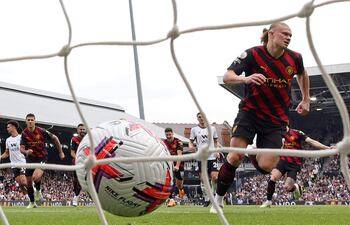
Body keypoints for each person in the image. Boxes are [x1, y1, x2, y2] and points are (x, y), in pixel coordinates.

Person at [211, 22, 310, 213]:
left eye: (291, 35)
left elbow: (303, 73)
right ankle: (219, 199)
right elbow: (227, 76)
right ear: (271, 34)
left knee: (266, 167)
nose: (289, 37)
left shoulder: (295, 58)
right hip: (250, 113)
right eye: (285, 34)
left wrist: (306, 99)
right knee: (234, 156)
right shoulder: (252, 54)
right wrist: (245, 78)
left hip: (276, 120)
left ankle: (253, 151)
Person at [260, 127, 331, 208]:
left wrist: (327, 148)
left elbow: (311, 141)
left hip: (294, 164)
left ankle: (296, 188)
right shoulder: (278, 134)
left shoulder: (297, 133)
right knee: (273, 178)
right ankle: (268, 201)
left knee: (287, 187)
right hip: (282, 162)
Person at [20, 113, 65, 208]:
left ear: (35, 121)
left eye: (32, 120)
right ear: (26, 121)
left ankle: (38, 190)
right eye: (28, 120)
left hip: (41, 157)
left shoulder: (41, 131)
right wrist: (26, 151)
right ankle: (32, 203)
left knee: (35, 177)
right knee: (28, 183)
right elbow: (21, 148)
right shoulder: (24, 134)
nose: (30, 121)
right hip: (30, 160)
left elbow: (55, 138)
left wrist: (61, 152)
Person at [189, 112, 222, 207]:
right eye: (199, 117)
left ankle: (214, 196)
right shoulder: (194, 130)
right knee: (203, 179)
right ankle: (207, 198)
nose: (201, 118)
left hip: (212, 156)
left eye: (203, 117)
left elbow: (216, 142)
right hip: (201, 157)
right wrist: (191, 147)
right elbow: (191, 142)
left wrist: (217, 151)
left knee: (215, 178)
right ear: (197, 119)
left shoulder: (212, 128)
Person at [0, 120, 28, 200]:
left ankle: (34, 190)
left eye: (8, 127)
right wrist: (1, 157)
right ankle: (29, 199)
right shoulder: (8, 140)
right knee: (20, 183)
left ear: (13, 127)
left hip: (22, 162)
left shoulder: (21, 137)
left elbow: (27, 148)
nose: (7, 129)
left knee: (23, 181)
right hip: (14, 164)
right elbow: (7, 153)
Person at [163, 127, 185, 207]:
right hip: (168, 164)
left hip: (179, 164)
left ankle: (182, 193)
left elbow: (180, 155)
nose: (168, 136)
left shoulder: (178, 142)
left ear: (172, 134)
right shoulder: (163, 142)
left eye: (170, 134)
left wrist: (177, 166)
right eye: (167, 135)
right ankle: (171, 199)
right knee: (170, 181)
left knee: (179, 185)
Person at [70, 123, 86, 207]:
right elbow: (72, 152)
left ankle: (76, 197)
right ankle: (75, 193)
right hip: (76, 163)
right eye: (81, 129)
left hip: (85, 163)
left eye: (83, 129)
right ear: (77, 130)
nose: (82, 131)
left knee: (80, 180)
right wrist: (78, 159)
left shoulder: (88, 139)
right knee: (75, 180)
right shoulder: (74, 139)